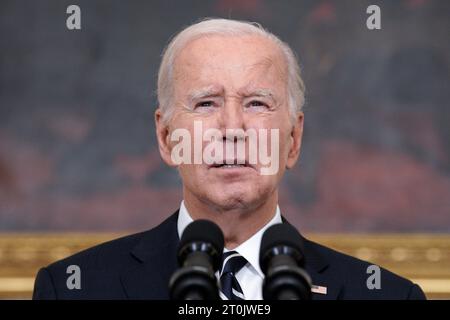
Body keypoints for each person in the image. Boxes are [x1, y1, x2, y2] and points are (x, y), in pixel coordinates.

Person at [33, 18, 425, 300]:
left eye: (257, 103)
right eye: (206, 103)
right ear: (167, 137)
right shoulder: (76, 288)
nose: (233, 127)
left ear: (293, 140)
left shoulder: (385, 295)